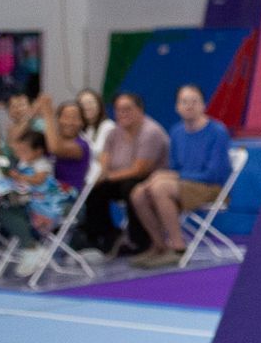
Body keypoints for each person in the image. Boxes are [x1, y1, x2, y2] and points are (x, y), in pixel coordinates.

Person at [128, 85, 232, 268]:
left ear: (203, 105)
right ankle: (160, 245)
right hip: (184, 184)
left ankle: (178, 247)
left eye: (194, 101)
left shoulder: (218, 132)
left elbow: (213, 174)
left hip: (211, 187)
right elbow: (174, 166)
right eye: (184, 102)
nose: (189, 106)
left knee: (161, 186)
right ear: (177, 107)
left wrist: (172, 176)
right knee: (139, 192)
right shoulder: (176, 132)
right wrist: (167, 176)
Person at [0, 128, 79, 277]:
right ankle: (30, 246)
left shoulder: (42, 164)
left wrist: (21, 178)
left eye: (25, 150)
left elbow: (39, 180)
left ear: (38, 151)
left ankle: (31, 247)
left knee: (8, 208)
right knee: (0, 206)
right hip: (23, 200)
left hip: (42, 201)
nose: (21, 153)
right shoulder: (22, 163)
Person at [82, 93, 168, 255]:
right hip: (119, 178)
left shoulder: (151, 132)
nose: (122, 114)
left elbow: (140, 169)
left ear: (140, 109)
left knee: (131, 188)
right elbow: (105, 161)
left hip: (151, 180)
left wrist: (108, 177)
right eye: (118, 110)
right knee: (95, 189)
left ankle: (139, 240)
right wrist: (100, 178)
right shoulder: (114, 133)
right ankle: (105, 235)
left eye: (127, 109)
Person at [76, 89, 114, 158]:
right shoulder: (86, 128)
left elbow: (100, 153)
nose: (87, 106)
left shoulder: (109, 126)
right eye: (82, 104)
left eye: (90, 102)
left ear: (99, 105)